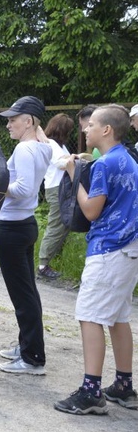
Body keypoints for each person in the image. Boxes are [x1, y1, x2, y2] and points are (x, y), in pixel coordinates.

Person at [54, 104, 138, 415]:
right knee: (118, 317)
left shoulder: (104, 164)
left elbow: (91, 210)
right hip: (130, 246)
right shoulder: (126, 158)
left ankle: (91, 391)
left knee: (90, 315)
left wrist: (74, 175)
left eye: (91, 125)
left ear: (106, 130)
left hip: (109, 247)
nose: (85, 130)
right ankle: (123, 386)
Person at [0, 96, 52, 375]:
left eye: (13, 119)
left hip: (13, 228)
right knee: (28, 290)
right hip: (24, 225)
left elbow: (24, 190)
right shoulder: (43, 147)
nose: (8, 124)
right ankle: (29, 344)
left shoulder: (25, 150)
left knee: (22, 294)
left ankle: (32, 357)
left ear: (28, 121)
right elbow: (44, 138)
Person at [37, 113, 75, 280]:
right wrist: (75, 158)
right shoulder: (51, 144)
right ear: (62, 130)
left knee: (62, 224)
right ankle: (42, 264)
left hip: (60, 188)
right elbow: (61, 164)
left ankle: (49, 260)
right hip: (56, 188)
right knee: (56, 225)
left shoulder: (58, 144)